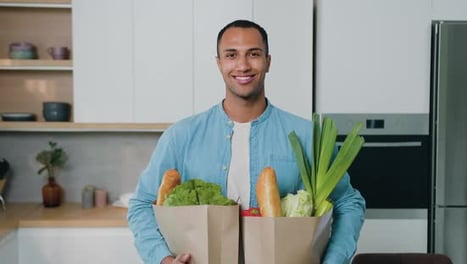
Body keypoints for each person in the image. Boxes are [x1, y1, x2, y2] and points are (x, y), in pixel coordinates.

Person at [127, 19, 366, 264]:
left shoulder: (305, 136)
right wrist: (163, 259)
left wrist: (333, 261)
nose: (242, 65)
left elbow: (349, 203)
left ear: (268, 62)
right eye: (231, 55)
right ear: (219, 63)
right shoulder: (181, 136)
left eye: (253, 54)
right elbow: (142, 205)